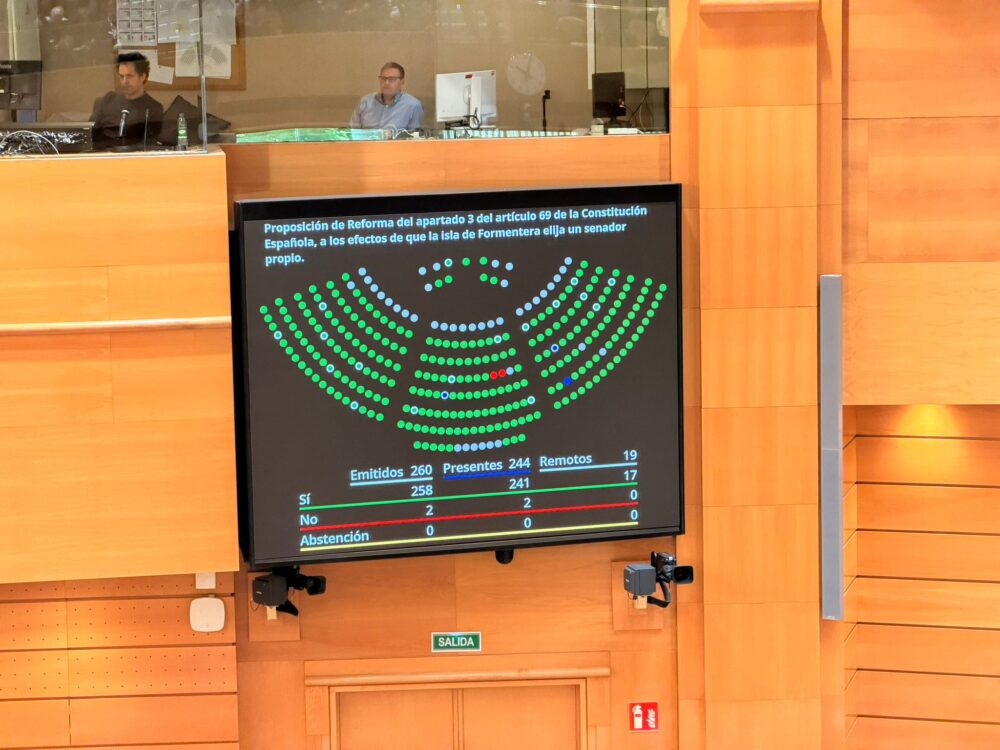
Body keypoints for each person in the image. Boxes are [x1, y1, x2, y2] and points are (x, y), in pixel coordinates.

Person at [90, 52, 164, 149]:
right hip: (103, 153)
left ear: (142, 77)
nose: (124, 81)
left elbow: (150, 146)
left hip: (133, 156)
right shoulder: (108, 99)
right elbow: (90, 133)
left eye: (129, 76)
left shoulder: (154, 108)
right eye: (121, 76)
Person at [349, 62, 423, 131]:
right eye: (383, 78)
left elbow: (415, 137)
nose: (386, 83)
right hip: (366, 141)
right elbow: (351, 132)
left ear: (402, 82)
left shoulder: (413, 106)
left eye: (391, 79)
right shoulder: (365, 102)